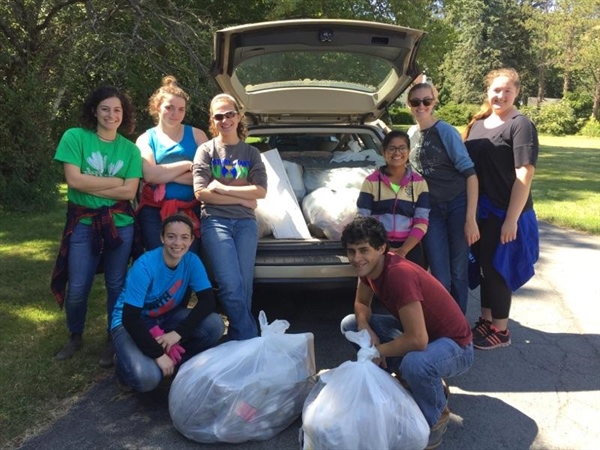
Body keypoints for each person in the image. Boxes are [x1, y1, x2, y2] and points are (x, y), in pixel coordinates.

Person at [339, 216, 473, 450]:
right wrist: (366, 328)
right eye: (351, 251)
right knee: (350, 325)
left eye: (363, 250)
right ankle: (405, 382)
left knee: (416, 363)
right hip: (425, 335)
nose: (356, 258)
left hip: (456, 346)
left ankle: (437, 413)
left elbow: (418, 340)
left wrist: (375, 350)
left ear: (381, 248)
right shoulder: (368, 268)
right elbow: (361, 304)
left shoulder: (398, 275)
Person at [51, 85, 142, 368]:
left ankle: (112, 338)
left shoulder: (130, 149)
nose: (111, 115)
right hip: (83, 223)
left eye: (117, 110)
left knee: (116, 284)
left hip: (121, 225)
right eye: (105, 108)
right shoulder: (75, 137)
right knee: (78, 285)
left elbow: (130, 193)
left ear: (123, 114)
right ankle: (75, 335)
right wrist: (116, 182)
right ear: (95, 110)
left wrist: (100, 186)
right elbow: (75, 182)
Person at [463, 68, 539, 350]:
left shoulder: (520, 125)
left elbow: (525, 174)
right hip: (480, 211)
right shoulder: (480, 123)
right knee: (484, 267)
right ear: (487, 91)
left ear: (516, 92)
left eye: (507, 90)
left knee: (496, 269)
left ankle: (501, 330)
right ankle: (486, 320)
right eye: (496, 90)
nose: (501, 95)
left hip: (505, 213)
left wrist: (511, 219)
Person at [111, 214, 225, 392]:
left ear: (191, 240)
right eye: (171, 236)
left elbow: (208, 301)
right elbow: (130, 318)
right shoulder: (144, 266)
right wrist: (157, 354)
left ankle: (177, 364)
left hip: (166, 316)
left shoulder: (192, 261)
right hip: (130, 323)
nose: (177, 243)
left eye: (184, 237)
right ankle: (123, 363)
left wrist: (177, 334)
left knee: (215, 324)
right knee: (147, 379)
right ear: (162, 238)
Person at [192, 93, 267, 340]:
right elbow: (202, 193)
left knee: (244, 285)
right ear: (213, 120)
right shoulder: (206, 150)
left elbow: (260, 191)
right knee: (229, 284)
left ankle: (237, 337)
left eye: (230, 114)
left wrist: (223, 188)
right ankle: (250, 339)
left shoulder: (251, 152)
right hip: (215, 221)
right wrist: (242, 198)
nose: (225, 120)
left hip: (246, 223)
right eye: (219, 116)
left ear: (239, 116)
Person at [407, 83, 480, 314]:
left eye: (426, 101)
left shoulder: (445, 131)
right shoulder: (411, 134)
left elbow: (470, 174)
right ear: (409, 105)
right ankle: (443, 322)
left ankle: (459, 329)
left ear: (434, 102)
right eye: (415, 102)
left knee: (459, 270)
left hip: (458, 205)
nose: (421, 106)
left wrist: (470, 219)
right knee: (440, 273)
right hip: (431, 211)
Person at [136, 75, 208, 254]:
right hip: (154, 213)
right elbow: (150, 175)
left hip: (192, 210)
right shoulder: (145, 139)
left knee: (188, 262)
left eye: (181, 109)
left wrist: (164, 175)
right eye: (169, 108)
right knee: (159, 261)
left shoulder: (198, 135)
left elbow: (206, 176)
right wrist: (186, 164)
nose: (175, 114)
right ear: (157, 108)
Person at [356, 130, 430, 268]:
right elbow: (362, 220)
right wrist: (382, 248)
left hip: (410, 246)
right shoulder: (370, 182)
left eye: (402, 148)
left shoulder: (420, 183)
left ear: (409, 151)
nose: (397, 153)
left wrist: (403, 251)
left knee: (409, 287)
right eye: (391, 148)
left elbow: (421, 222)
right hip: (377, 246)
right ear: (384, 152)